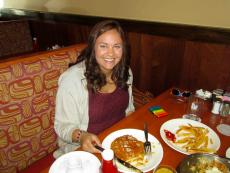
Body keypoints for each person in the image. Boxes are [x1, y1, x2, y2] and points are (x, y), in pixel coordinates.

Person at [53, 20, 135, 158]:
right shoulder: (72, 80)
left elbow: (129, 110)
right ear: (93, 47)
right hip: (84, 151)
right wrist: (82, 136)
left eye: (117, 46)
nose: (111, 53)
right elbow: (62, 126)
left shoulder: (126, 73)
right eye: (103, 46)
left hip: (118, 142)